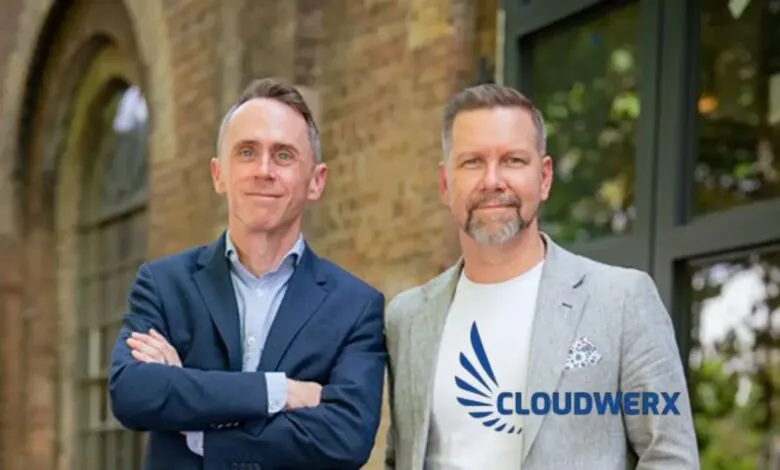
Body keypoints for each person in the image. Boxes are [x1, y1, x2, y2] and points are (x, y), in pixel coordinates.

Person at [383, 84, 700, 470]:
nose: (493, 180)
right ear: (445, 184)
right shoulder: (406, 318)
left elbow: (671, 458)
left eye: (513, 160)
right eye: (472, 162)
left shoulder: (621, 301)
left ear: (544, 177)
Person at [108, 78, 386, 470]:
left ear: (316, 181)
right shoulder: (164, 286)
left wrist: (196, 423)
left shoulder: (355, 306)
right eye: (247, 152)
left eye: (284, 155)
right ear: (218, 174)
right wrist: (281, 392)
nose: (264, 170)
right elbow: (133, 394)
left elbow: (346, 438)